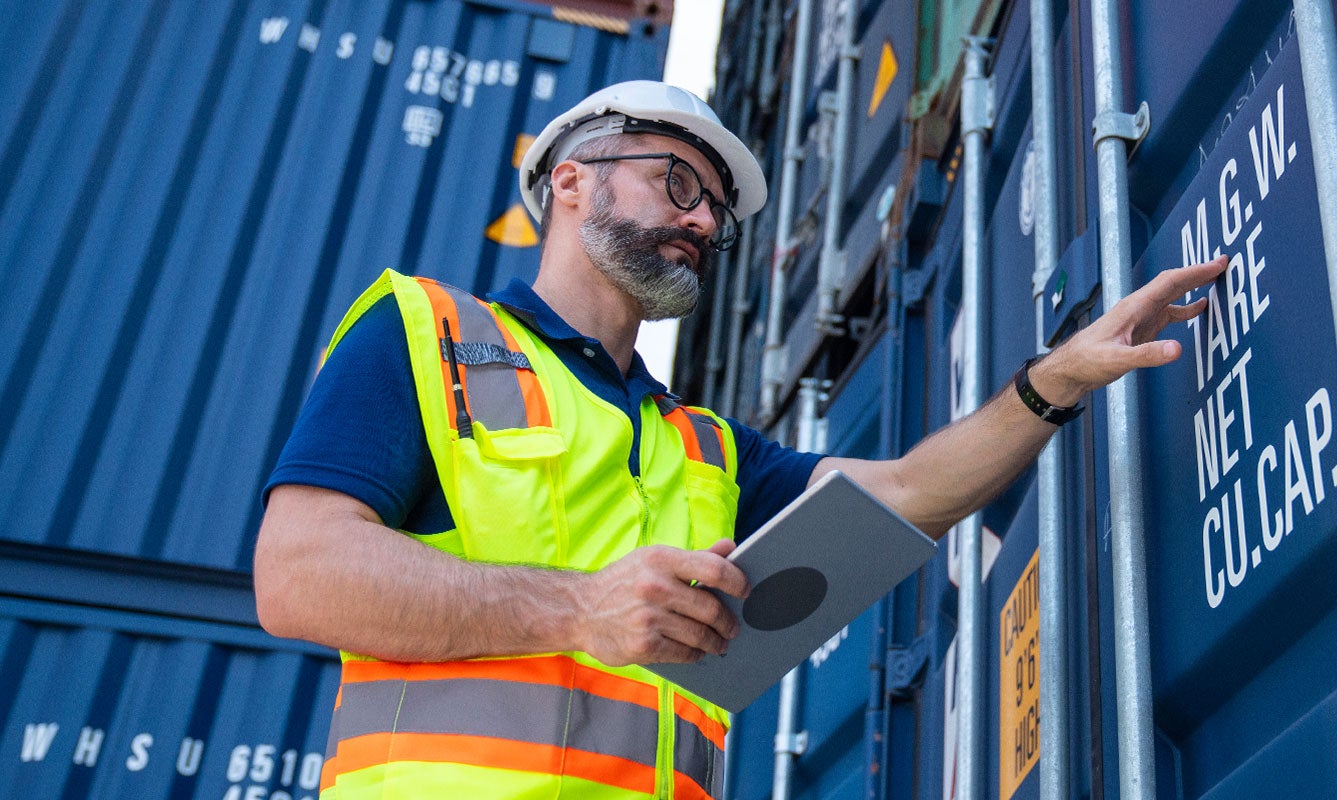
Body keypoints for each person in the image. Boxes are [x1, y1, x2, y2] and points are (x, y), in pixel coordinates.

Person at [253, 80, 1227, 800]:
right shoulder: (432, 335)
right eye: (677, 180)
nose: (703, 217)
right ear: (572, 179)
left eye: (714, 207)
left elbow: (901, 494)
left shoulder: (707, 446)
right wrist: (579, 607)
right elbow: (297, 573)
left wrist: (1052, 379)